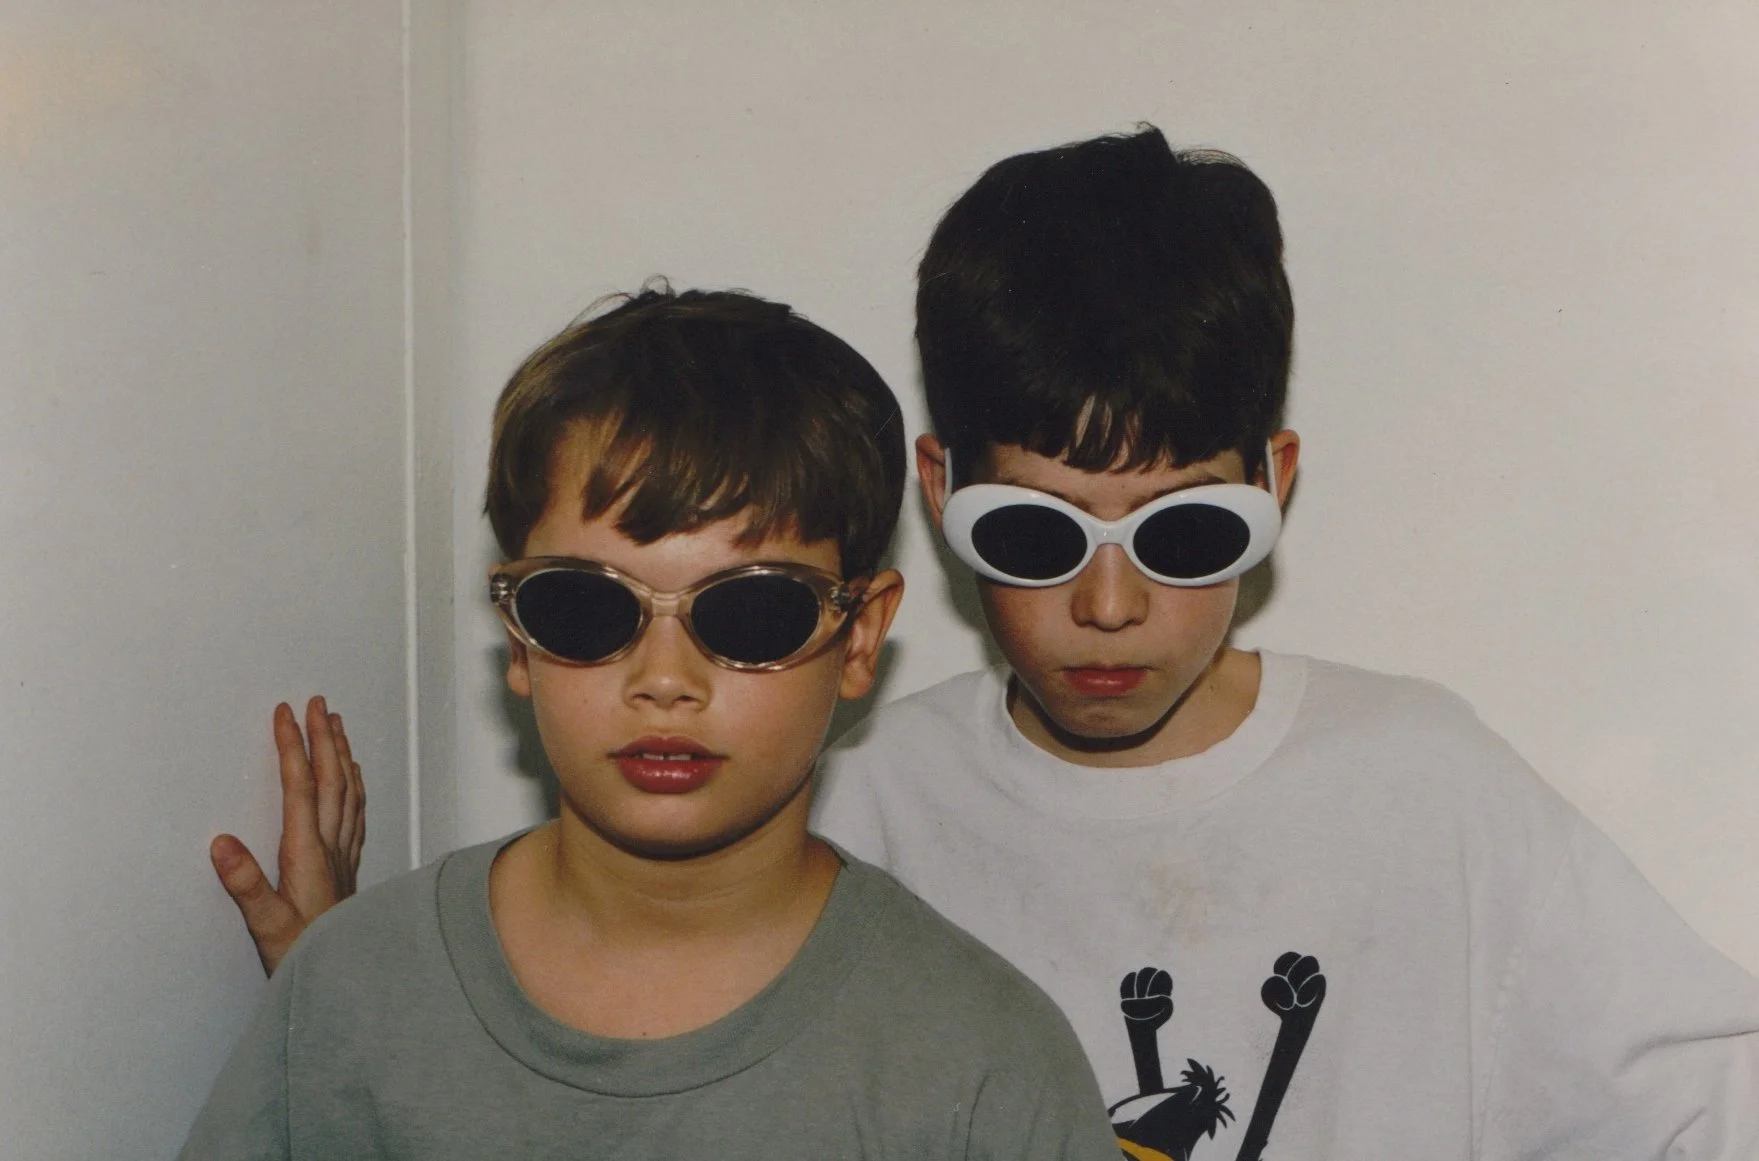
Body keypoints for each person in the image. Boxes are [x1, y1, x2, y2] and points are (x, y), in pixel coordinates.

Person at [214, 128, 1759, 1159]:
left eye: (1183, 535)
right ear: (939, 495)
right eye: (1033, 535)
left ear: (1272, 486)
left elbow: (1706, 1098)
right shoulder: (843, 793)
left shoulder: (1421, 785)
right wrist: (357, 1000)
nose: (1106, 605)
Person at [182, 286, 1121, 1160]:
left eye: (751, 612)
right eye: (586, 607)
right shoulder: (351, 990)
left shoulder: (982, 1062)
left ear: (860, 635)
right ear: (516, 631)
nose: (664, 680)